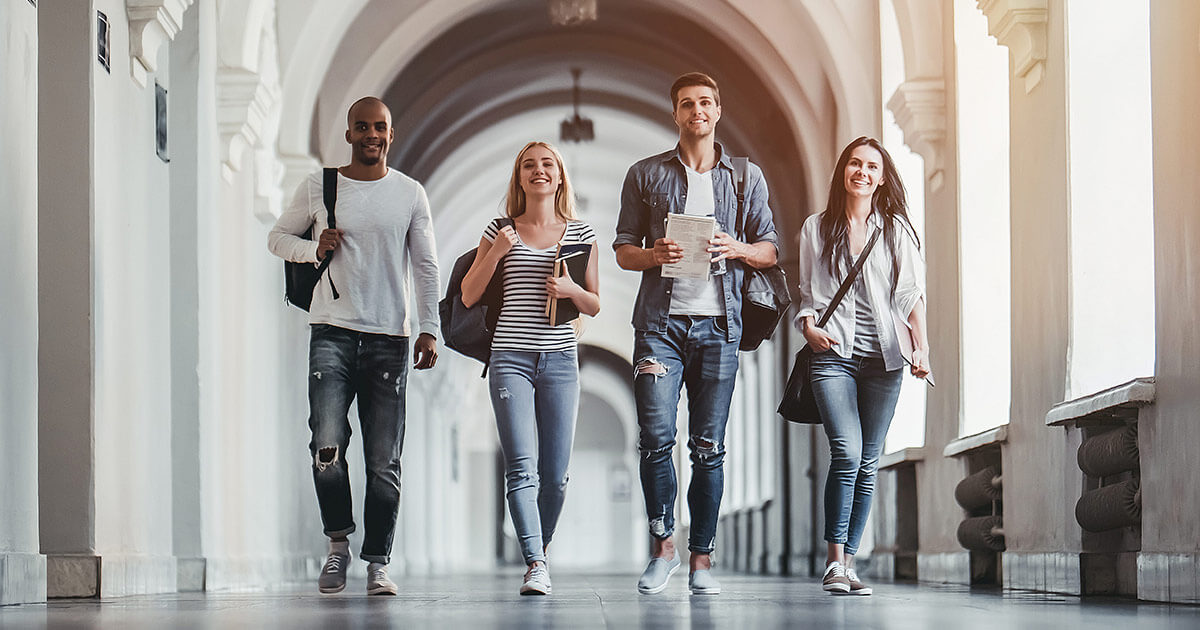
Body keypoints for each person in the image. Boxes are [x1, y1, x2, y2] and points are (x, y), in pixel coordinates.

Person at [613, 72, 779, 596]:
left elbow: (771, 249)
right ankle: (663, 549)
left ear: (718, 110)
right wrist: (653, 253)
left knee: (708, 447)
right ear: (676, 114)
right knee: (656, 441)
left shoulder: (745, 178)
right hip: (659, 328)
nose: (697, 111)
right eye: (687, 104)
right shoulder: (645, 175)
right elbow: (622, 249)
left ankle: (701, 561)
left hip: (719, 326)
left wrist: (738, 249)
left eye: (706, 102)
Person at [267, 96, 441, 596]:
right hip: (332, 333)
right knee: (327, 445)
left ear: (391, 132)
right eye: (361, 126)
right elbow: (277, 237)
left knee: (384, 460)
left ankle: (378, 562)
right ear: (348, 134)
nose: (371, 134)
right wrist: (311, 247)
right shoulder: (321, 186)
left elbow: (426, 266)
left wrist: (429, 326)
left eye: (379, 126)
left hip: (390, 337)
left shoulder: (410, 193)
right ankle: (337, 546)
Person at [460, 141, 600, 596]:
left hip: (560, 360)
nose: (538, 171)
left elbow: (594, 305)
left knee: (555, 475)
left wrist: (569, 290)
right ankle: (535, 562)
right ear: (519, 178)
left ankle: (542, 543)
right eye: (528, 165)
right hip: (510, 360)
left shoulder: (582, 234)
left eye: (547, 164)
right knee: (522, 468)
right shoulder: (499, 229)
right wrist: (498, 251)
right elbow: (468, 294)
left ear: (560, 176)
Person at [795, 136, 930, 596]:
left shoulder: (895, 229)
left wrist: (922, 347)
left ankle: (851, 562)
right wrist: (808, 328)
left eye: (872, 166)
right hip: (832, 354)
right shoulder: (817, 227)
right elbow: (808, 293)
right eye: (855, 163)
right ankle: (834, 562)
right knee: (847, 453)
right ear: (843, 172)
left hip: (885, 359)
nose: (863, 172)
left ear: (882, 175)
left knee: (868, 461)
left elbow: (911, 294)